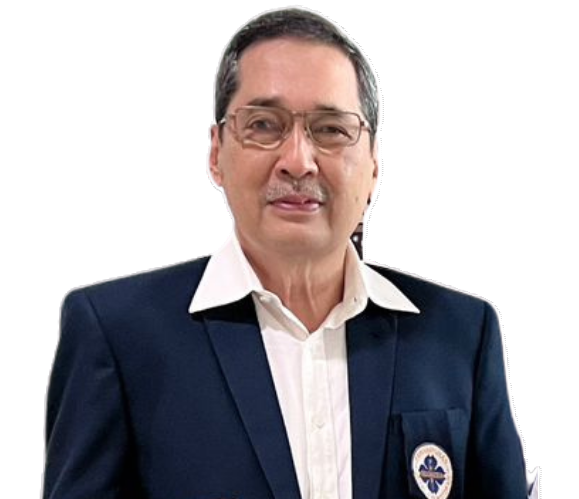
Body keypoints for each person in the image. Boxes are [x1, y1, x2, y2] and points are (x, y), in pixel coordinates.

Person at [42, 7, 538, 499]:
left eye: (331, 129)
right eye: (263, 125)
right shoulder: (120, 337)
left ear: (374, 165)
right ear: (216, 153)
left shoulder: (459, 336)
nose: (298, 161)